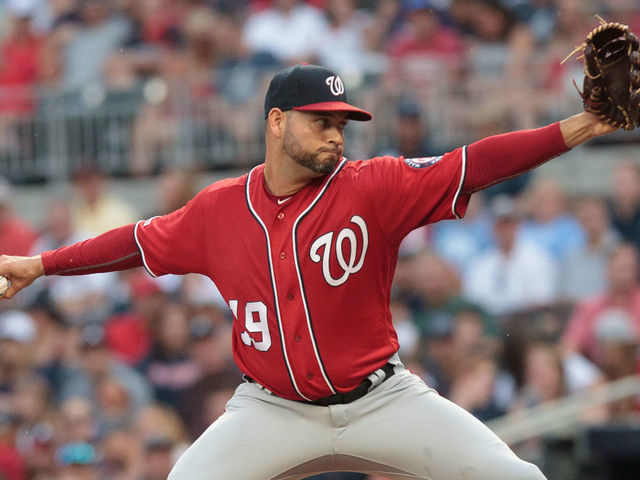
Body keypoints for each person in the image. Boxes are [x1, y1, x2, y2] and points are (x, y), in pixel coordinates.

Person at [0, 63, 621, 479]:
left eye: (341, 124)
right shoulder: (219, 208)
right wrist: (42, 264)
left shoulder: (373, 187)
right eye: (320, 122)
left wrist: (583, 124)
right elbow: (134, 242)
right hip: (271, 410)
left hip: (382, 399)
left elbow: (476, 162)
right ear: (277, 122)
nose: (336, 136)